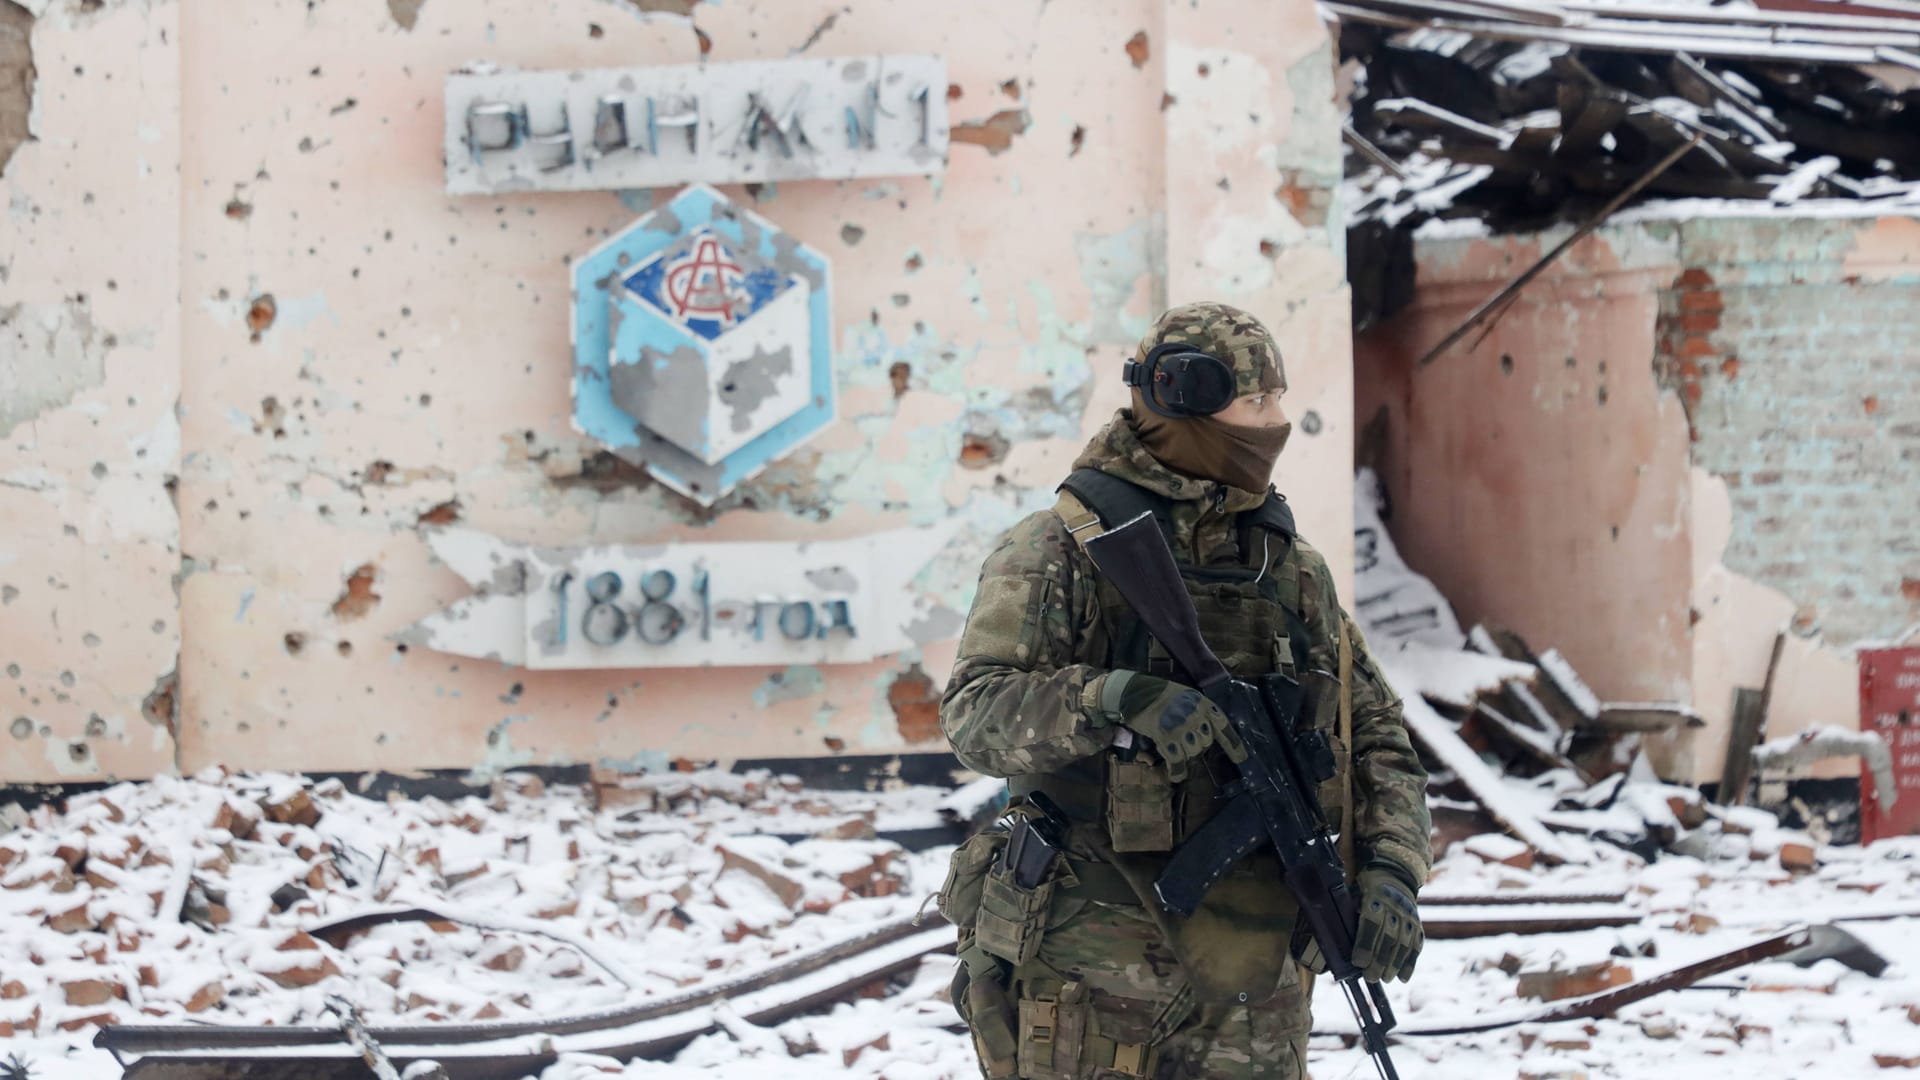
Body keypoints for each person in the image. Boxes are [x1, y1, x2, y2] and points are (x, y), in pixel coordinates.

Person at [935, 302, 1431, 1080]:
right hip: (1092, 968)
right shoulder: (1064, 549)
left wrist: (1394, 872)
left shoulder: (1290, 570)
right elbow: (976, 715)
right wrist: (1107, 700)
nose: (1276, 423)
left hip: (1255, 983)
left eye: (1276, 400)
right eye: (1257, 402)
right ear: (1182, 400)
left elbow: (1375, 738)